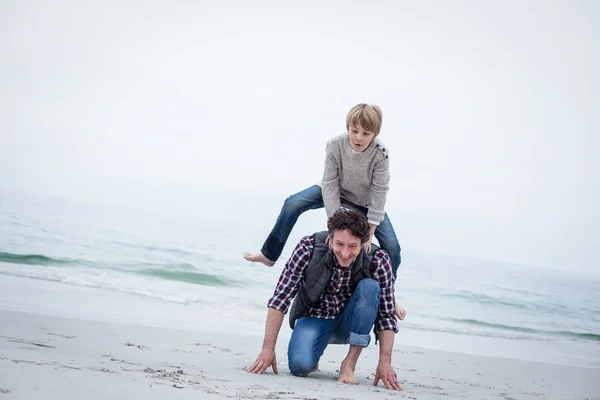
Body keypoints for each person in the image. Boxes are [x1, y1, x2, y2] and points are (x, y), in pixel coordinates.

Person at [244, 103, 406, 320]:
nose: (358, 137)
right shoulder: (335, 145)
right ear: (348, 127)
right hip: (336, 190)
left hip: (367, 203)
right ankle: (269, 255)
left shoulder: (381, 154)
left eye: (366, 133)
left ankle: (390, 294)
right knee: (293, 203)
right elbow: (329, 184)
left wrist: (369, 231)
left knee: (393, 247)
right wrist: (335, 225)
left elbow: (380, 192)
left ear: (375, 133)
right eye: (354, 130)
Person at [247, 209, 402, 391]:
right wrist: (267, 348)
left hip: (350, 323)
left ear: (363, 243)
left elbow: (386, 315)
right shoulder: (308, 248)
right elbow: (281, 297)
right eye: (339, 244)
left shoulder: (378, 259)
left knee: (370, 287)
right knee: (300, 366)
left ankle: (349, 364)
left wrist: (385, 362)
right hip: (315, 318)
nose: (345, 253)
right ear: (330, 237)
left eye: (352, 246)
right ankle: (314, 352)